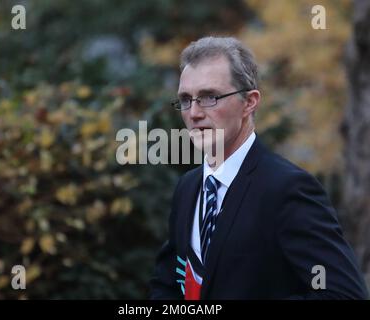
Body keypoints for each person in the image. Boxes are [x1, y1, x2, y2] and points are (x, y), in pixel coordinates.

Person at [150, 36, 369, 300]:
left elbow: (342, 294)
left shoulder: (287, 189)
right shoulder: (188, 187)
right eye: (186, 99)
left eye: (209, 97)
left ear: (250, 102)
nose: (194, 113)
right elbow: (167, 287)